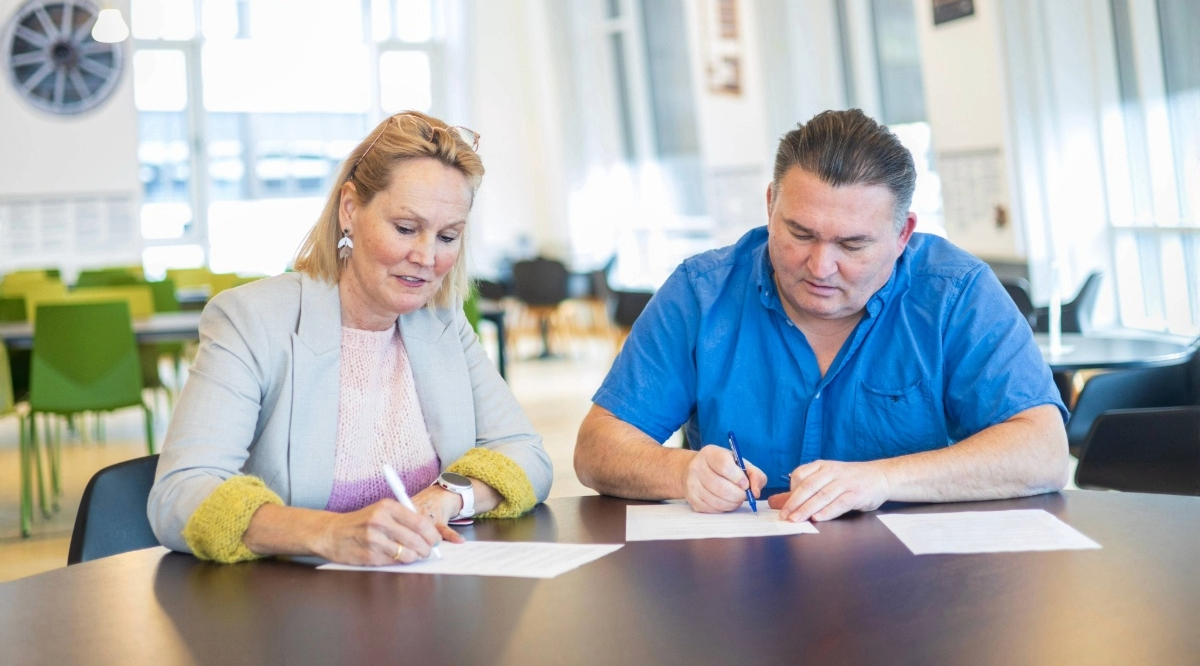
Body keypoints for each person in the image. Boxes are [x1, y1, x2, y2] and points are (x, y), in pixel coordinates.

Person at [575, 109, 1069, 522]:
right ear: (771, 207)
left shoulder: (956, 294)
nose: (821, 266)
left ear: (903, 234)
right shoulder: (702, 293)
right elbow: (597, 447)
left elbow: (1043, 450)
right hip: (740, 585)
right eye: (800, 234)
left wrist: (882, 478)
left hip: (916, 582)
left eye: (853, 244)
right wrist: (681, 471)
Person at [149, 111, 552, 565]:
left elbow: (529, 457)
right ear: (350, 210)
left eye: (447, 236)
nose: (426, 257)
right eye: (405, 228)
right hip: (286, 607)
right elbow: (179, 493)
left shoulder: (442, 322)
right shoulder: (252, 319)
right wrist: (330, 532)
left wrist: (447, 497)